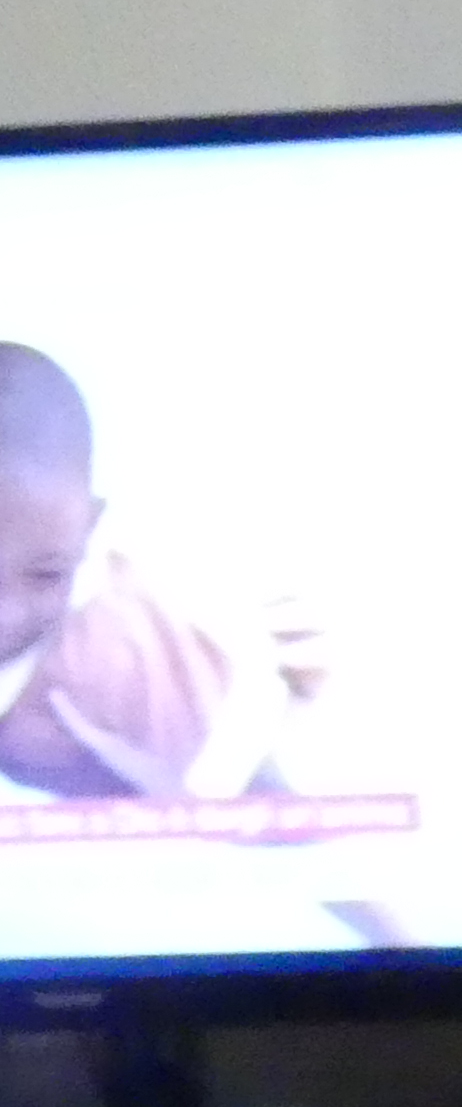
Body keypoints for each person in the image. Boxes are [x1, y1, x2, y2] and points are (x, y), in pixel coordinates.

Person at [0, 343, 301, 806]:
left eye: (45, 576)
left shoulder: (122, 660)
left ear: (87, 529)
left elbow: (283, 819)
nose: (7, 614)